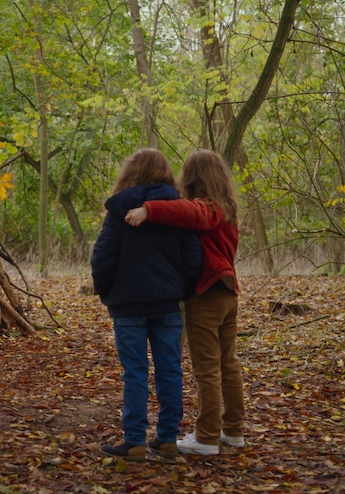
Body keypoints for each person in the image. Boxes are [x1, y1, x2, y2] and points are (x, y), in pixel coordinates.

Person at [125, 149, 245, 455]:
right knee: (228, 365)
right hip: (228, 293)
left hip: (208, 295)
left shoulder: (207, 208)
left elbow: (191, 213)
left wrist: (149, 210)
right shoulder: (227, 208)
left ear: (192, 177)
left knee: (208, 368)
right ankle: (233, 431)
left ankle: (206, 437)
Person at [91, 148, 203, 461]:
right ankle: (167, 438)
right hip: (167, 304)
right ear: (166, 175)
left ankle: (135, 440)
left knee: (136, 373)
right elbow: (193, 258)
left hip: (128, 306)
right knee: (170, 369)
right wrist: (182, 290)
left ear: (129, 174)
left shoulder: (119, 213)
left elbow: (102, 258)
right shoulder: (178, 212)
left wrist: (107, 293)